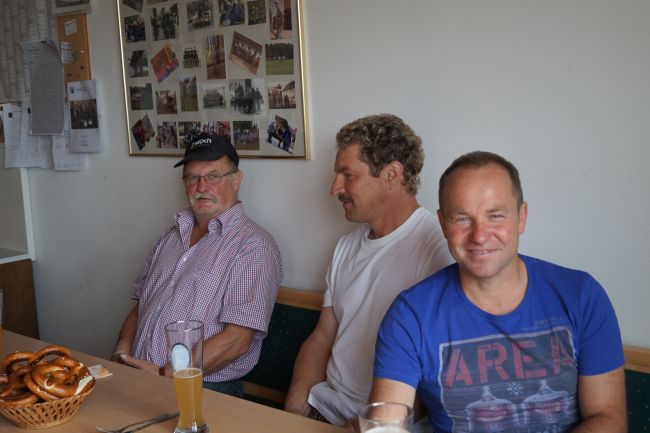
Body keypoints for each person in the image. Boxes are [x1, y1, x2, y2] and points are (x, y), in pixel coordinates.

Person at [371, 151, 626, 433]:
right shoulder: (410, 315)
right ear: (443, 225)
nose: (480, 235)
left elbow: (608, 418)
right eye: (462, 219)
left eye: (495, 216)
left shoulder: (581, 296)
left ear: (521, 217)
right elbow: (386, 424)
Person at [284, 114, 453, 426]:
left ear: (391, 174)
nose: (334, 188)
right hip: (324, 408)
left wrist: (364, 427)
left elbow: (436, 376)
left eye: (347, 175)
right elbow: (322, 337)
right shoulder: (346, 247)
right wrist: (294, 411)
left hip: (385, 424)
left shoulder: (437, 249)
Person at [111, 133, 283, 398]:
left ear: (236, 180)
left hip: (202, 388)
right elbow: (141, 306)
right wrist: (121, 355)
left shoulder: (254, 246)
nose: (201, 186)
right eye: (192, 177)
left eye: (213, 176)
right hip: (139, 376)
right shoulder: (170, 237)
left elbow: (237, 340)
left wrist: (165, 375)